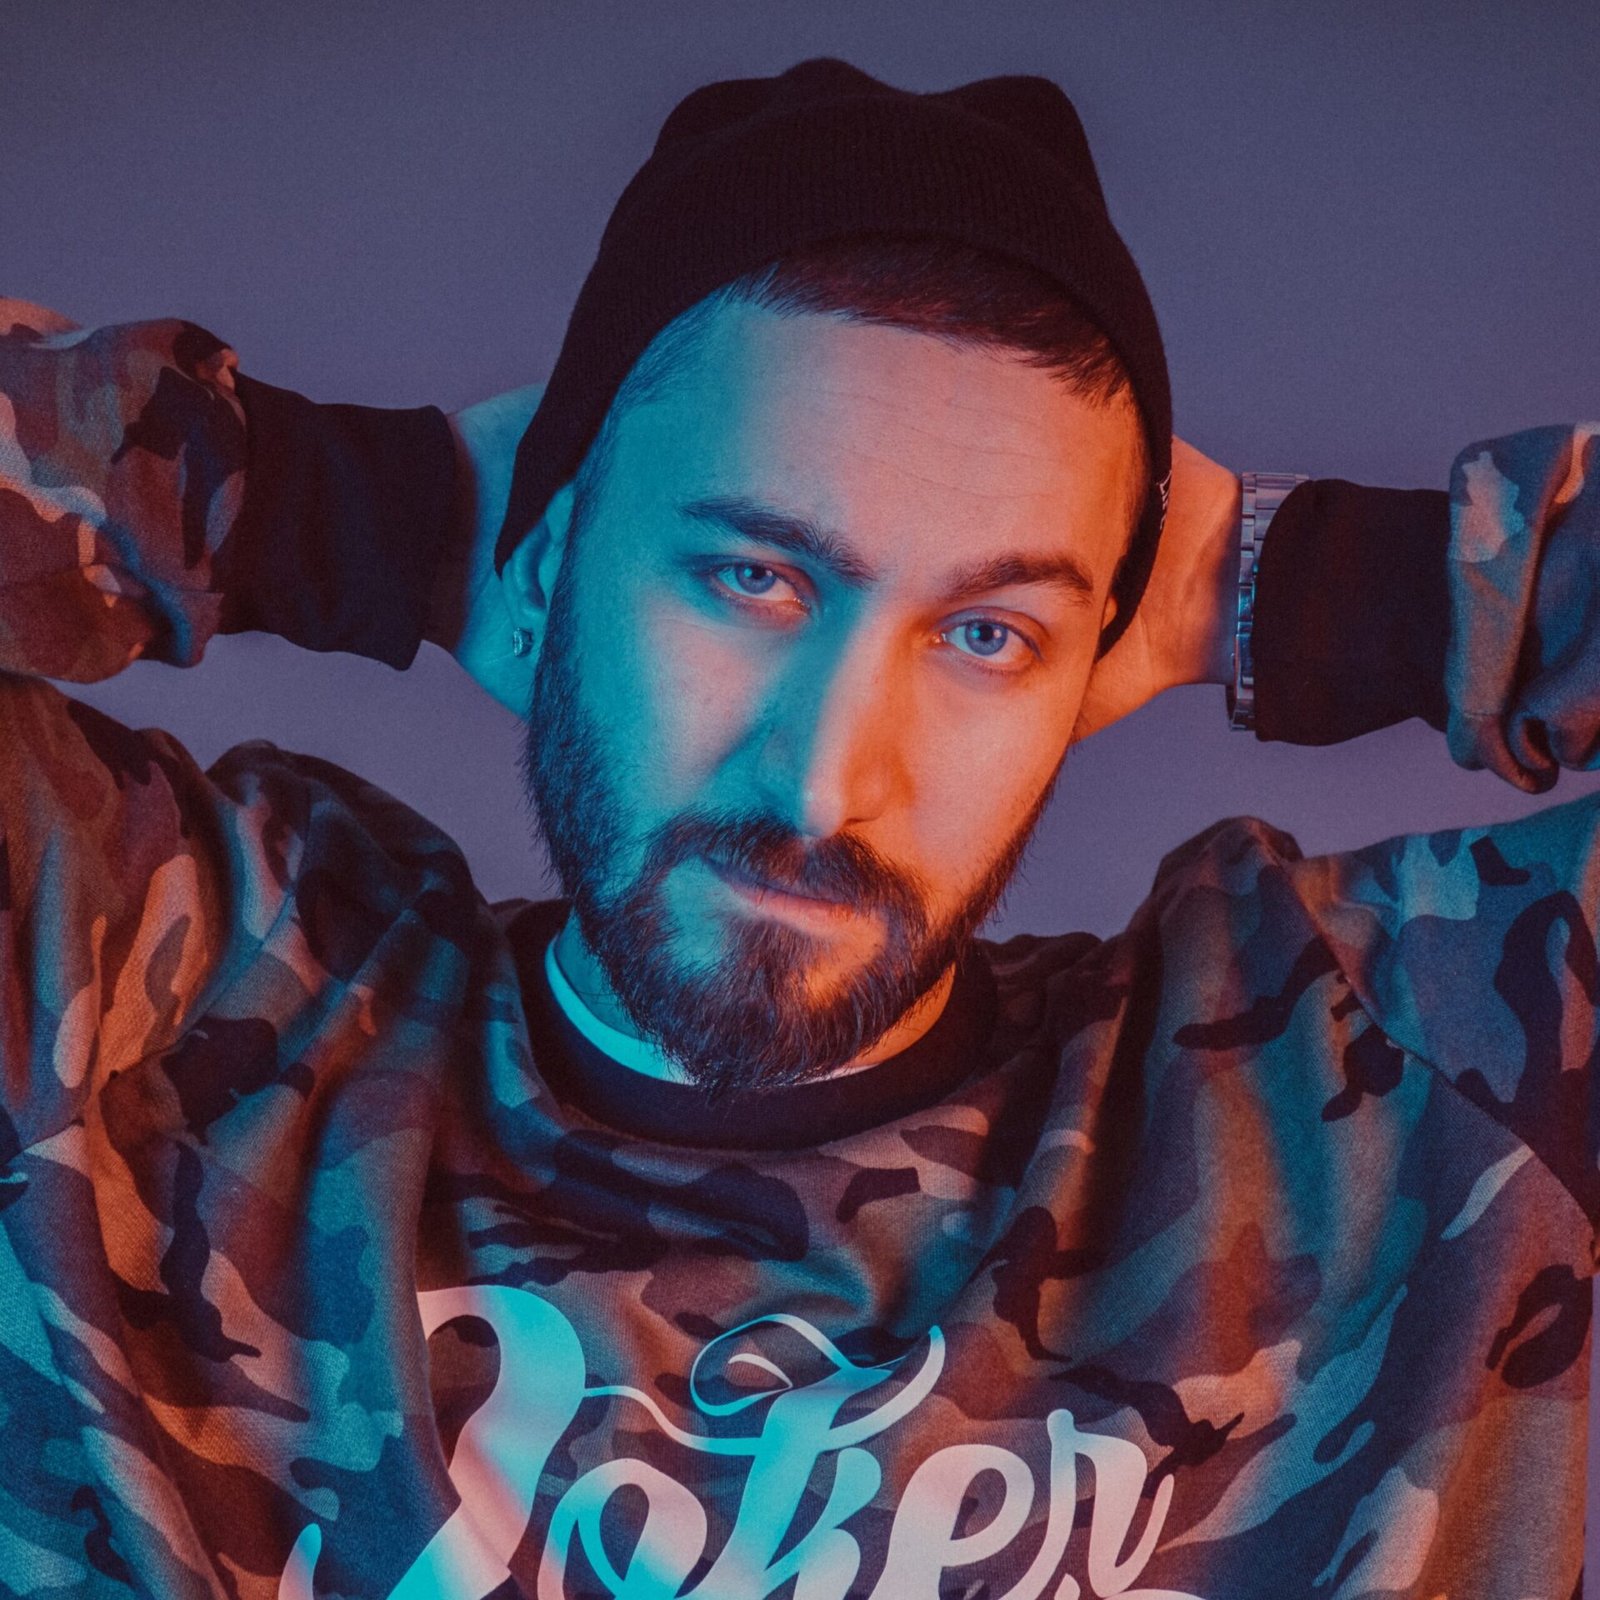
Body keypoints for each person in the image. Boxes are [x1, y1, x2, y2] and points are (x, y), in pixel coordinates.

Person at [0, 55, 1594, 1600]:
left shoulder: (1389, 1073)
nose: (827, 787)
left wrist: (1294, 587)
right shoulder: (148, 992)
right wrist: (341, 504)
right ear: (543, 562)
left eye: (989, 635)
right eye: (752, 578)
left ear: (1098, 665)